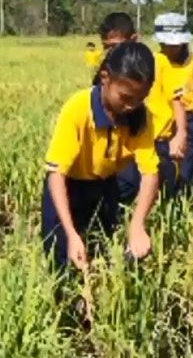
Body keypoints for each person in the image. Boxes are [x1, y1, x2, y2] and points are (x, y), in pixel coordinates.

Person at [42, 41, 159, 270]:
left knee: (100, 252)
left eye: (140, 99)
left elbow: (150, 173)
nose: (131, 106)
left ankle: (94, 302)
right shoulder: (78, 109)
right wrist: (71, 233)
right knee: (63, 259)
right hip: (67, 188)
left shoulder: (140, 117)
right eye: (125, 97)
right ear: (105, 77)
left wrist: (137, 225)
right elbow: (56, 174)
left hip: (105, 187)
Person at [116, 14, 189, 203]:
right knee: (129, 187)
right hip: (130, 140)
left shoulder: (160, 62)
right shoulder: (113, 70)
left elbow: (177, 99)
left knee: (164, 192)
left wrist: (180, 133)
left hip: (160, 139)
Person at [153, 14, 193, 198]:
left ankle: (182, 203)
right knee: (160, 170)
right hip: (159, 121)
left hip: (187, 120)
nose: (170, 48)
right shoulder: (154, 61)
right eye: (166, 44)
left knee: (185, 169)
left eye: (175, 44)